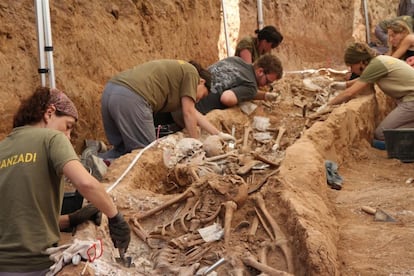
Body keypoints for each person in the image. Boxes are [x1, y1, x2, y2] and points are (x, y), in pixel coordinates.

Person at [0, 87, 131, 275]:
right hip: (35, 265)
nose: (68, 136)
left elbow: (22, 219)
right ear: (49, 113)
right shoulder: (52, 138)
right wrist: (115, 217)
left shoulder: (3, 147)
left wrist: (73, 219)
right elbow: (86, 183)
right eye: (68, 126)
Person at [100, 59, 235, 160]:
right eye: (203, 95)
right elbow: (188, 113)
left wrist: (218, 134)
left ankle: (96, 161)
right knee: (146, 154)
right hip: (132, 98)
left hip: (111, 91)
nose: (198, 99)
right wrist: (197, 146)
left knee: (122, 149)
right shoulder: (191, 73)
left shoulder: (178, 75)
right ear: (201, 82)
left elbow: (192, 112)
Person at [326, 42, 414, 148]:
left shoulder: (376, 65)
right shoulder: (378, 61)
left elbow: (350, 93)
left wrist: (326, 106)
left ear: (361, 62)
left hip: (411, 101)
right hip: (408, 100)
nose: (351, 70)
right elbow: (364, 79)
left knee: (381, 135)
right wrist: (343, 85)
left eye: (351, 66)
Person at [194, 54, 283, 115]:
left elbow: (240, 87)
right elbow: (227, 98)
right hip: (195, 109)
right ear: (260, 71)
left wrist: (265, 96)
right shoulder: (251, 86)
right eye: (267, 81)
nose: (265, 85)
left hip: (189, 90)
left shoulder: (235, 60)